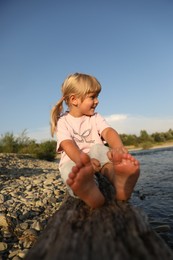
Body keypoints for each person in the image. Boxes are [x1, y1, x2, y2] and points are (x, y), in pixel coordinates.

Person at [50, 72, 140, 208]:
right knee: (71, 172)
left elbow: (108, 131)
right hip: (75, 160)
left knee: (101, 152)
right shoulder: (63, 121)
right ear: (74, 100)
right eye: (93, 97)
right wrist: (83, 161)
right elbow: (67, 144)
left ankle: (119, 181)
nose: (97, 101)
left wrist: (117, 147)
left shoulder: (95, 117)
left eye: (97, 97)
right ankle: (89, 191)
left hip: (96, 158)